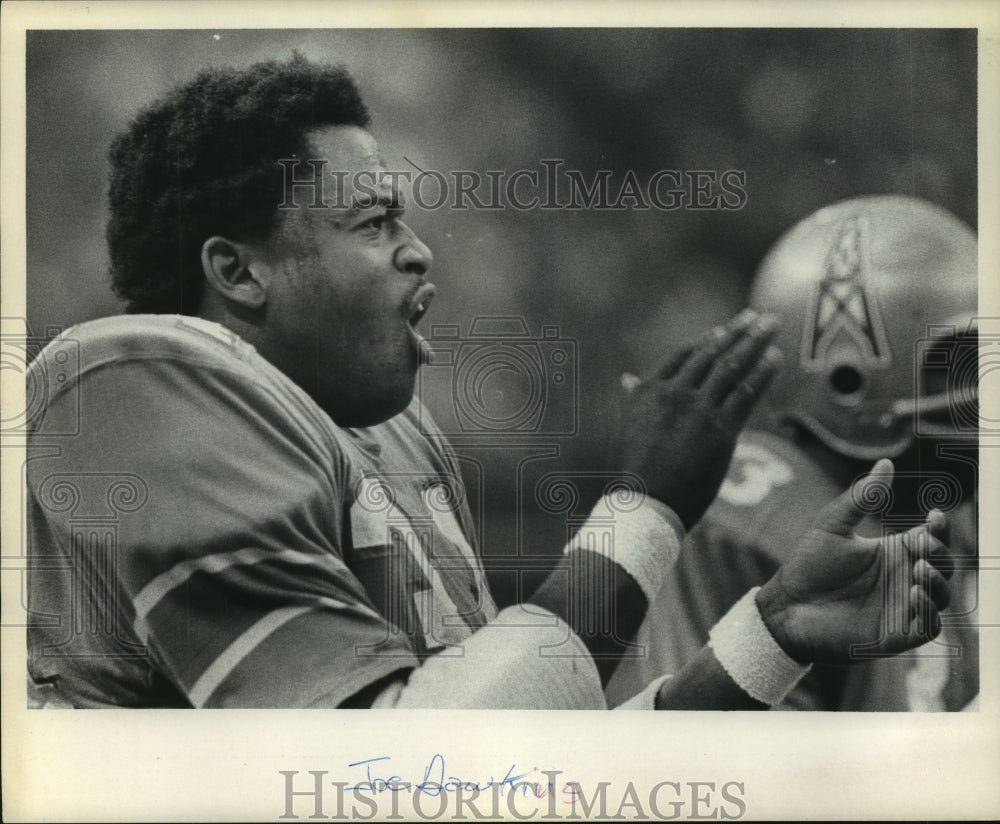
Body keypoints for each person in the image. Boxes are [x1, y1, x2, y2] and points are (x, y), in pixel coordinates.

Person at [25, 57, 953, 710]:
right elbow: (405, 780)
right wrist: (645, 508)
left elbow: (518, 765)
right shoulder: (127, 384)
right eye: (374, 220)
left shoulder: (388, 439)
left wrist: (773, 633)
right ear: (237, 272)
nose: (418, 249)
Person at [608, 195, 979, 711]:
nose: (980, 393)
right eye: (959, 366)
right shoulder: (748, 515)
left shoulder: (945, 516)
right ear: (847, 375)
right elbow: (742, 767)